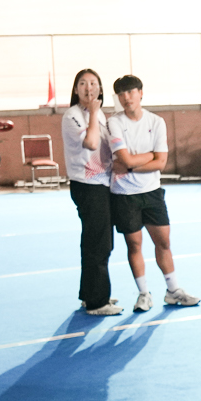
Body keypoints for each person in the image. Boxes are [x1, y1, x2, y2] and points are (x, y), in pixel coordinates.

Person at [110, 74, 199, 312]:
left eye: (130, 92)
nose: (126, 98)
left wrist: (130, 165)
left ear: (141, 93)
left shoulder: (156, 121)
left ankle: (173, 291)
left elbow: (160, 163)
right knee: (134, 245)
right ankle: (143, 294)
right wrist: (147, 156)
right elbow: (126, 157)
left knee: (163, 242)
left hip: (152, 193)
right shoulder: (114, 123)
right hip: (124, 194)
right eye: (121, 94)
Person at [63, 69, 122, 315]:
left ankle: (90, 294)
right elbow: (91, 143)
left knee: (99, 242)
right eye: (83, 84)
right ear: (76, 89)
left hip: (103, 183)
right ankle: (98, 302)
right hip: (87, 185)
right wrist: (95, 113)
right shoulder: (73, 116)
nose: (89, 88)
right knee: (98, 243)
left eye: (94, 83)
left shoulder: (99, 116)